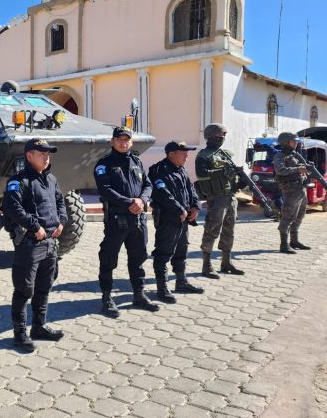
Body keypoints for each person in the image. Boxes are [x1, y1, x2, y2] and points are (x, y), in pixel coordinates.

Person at [2, 138, 67, 352]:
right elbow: (13, 208)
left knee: (44, 287)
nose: (46, 156)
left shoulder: (51, 179)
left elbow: (60, 201)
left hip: (50, 242)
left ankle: (39, 327)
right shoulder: (18, 181)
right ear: (29, 156)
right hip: (31, 244)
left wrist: (61, 221)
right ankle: (20, 334)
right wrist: (34, 226)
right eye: (42, 153)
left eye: (48, 153)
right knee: (23, 289)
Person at [94, 126, 159, 318]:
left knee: (138, 259)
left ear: (131, 142)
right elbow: (105, 189)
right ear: (112, 142)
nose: (123, 143)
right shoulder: (104, 164)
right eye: (119, 139)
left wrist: (142, 200)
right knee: (108, 259)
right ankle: (106, 298)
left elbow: (148, 184)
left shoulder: (136, 161)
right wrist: (129, 202)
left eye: (126, 140)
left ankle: (139, 295)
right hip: (117, 220)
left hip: (138, 220)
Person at [148, 141, 205, 303]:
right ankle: (161, 288)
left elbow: (191, 189)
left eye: (187, 152)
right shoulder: (158, 170)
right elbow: (162, 193)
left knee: (182, 250)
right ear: (171, 154)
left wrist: (196, 206)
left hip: (183, 218)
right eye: (183, 153)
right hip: (168, 218)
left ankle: (181, 281)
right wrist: (179, 209)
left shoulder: (181, 169)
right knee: (163, 252)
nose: (187, 155)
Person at [194, 123, 245, 278]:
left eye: (223, 135)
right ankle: (206, 265)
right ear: (209, 137)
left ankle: (226, 262)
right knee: (212, 230)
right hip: (216, 198)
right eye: (218, 136)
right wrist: (220, 172)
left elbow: (231, 176)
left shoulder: (225, 154)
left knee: (229, 231)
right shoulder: (204, 155)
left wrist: (240, 179)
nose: (221, 138)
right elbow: (201, 174)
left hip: (231, 197)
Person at [273, 132, 310, 253]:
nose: (296, 143)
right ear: (285, 143)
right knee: (288, 217)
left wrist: (307, 170)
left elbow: (303, 167)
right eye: (293, 141)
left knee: (299, 216)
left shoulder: (295, 154)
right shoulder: (280, 156)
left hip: (300, 189)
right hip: (290, 190)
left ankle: (294, 241)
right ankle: (284, 245)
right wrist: (298, 169)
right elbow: (280, 170)